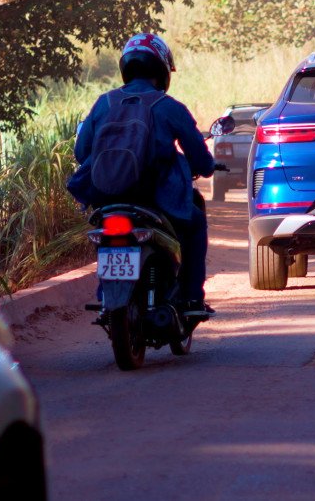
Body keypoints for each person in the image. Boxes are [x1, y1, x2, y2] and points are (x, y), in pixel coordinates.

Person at [68, 33, 215, 317]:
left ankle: (105, 297)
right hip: (157, 198)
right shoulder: (169, 106)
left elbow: (82, 152)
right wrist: (206, 166)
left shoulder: (104, 103)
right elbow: (199, 158)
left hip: (107, 197)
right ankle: (192, 298)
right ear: (161, 69)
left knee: (104, 236)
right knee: (195, 223)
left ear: (127, 66)